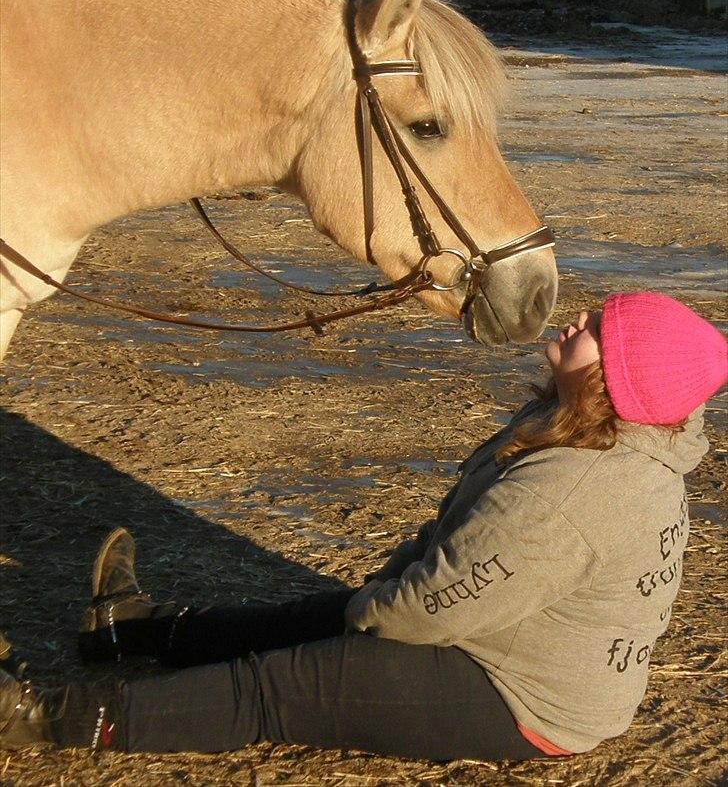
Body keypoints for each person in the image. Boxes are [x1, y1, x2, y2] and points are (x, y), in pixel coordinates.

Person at [1, 291, 726, 760]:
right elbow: (461, 536)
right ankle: (128, 628)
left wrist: (372, 608)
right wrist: (369, 600)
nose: (578, 319)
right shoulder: (570, 425)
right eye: (596, 312)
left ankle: (47, 714)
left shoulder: (579, 486)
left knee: (276, 687)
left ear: (617, 381)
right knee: (302, 619)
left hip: (524, 696)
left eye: (601, 329)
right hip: (497, 634)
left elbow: (446, 600)